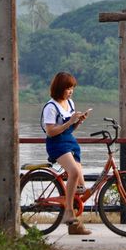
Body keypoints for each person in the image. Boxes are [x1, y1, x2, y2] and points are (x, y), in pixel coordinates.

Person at [41, 72, 91, 235]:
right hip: (57, 144)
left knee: (81, 188)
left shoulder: (70, 103)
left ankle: (75, 226)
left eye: (72, 88)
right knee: (74, 172)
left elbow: (70, 128)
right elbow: (50, 132)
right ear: (59, 88)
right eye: (67, 88)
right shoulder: (51, 107)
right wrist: (70, 121)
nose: (70, 91)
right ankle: (68, 211)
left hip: (70, 141)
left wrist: (77, 122)